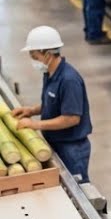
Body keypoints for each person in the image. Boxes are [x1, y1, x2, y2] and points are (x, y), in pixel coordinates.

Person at [11, 26, 93, 182]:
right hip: (57, 142)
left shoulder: (69, 80)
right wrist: (31, 110)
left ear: (47, 54)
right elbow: (53, 103)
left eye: (35, 57)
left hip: (72, 148)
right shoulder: (49, 73)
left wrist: (36, 125)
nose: (33, 61)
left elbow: (71, 118)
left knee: (78, 190)